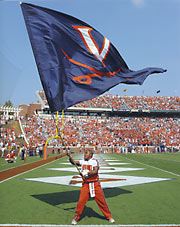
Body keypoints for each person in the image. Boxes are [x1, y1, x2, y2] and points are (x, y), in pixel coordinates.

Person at [67, 150, 115, 225]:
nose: (84, 154)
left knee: (102, 202)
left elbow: (95, 171)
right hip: (85, 185)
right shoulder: (82, 161)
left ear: (91, 155)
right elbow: (73, 162)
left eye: (86, 153)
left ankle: (109, 216)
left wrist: (85, 173)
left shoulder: (94, 161)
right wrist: (70, 157)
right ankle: (76, 217)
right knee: (80, 202)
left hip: (95, 184)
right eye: (84, 153)